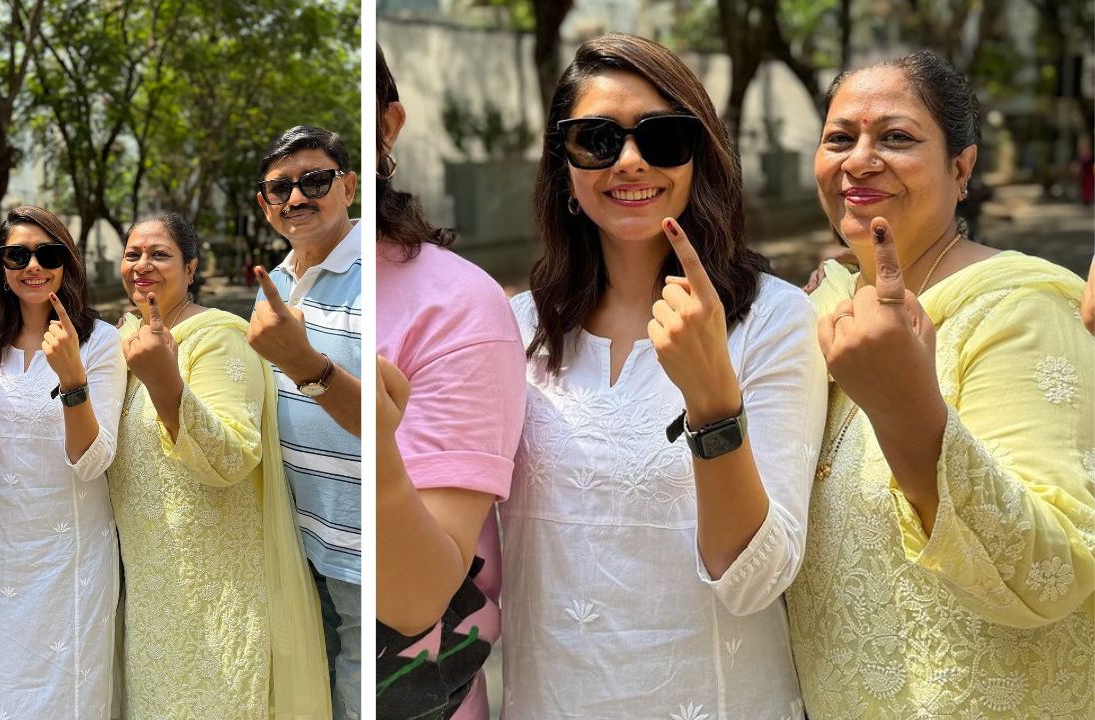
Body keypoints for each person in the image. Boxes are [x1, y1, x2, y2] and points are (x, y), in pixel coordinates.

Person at [499, 34, 827, 719]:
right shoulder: (509, 329)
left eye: (663, 137)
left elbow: (756, 581)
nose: (629, 161)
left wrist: (712, 404)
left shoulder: (773, 320)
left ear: (699, 158)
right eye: (596, 139)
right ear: (563, 167)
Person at [784, 51, 1095, 718]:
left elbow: (1055, 570)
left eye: (895, 137)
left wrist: (911, 413)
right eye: (841, 138)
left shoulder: (1019, 310)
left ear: (962, 168)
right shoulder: (818, 312)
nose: (859, 160)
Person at [105, 213, 328, 719]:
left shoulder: (216, 338)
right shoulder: (122, 338)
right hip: (151, 590)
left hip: (218, 590)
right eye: (133, 253)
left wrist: (167, 385)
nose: (142, 265)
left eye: (159, 254)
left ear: (191, 269)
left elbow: (231, 459)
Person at [375, 45, 527, 719]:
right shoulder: (283, 305)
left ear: (388, 126)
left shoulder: (456, 305)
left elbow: (418, 599)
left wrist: (370, 441)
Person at [0, 206, 123, 719]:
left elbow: (94, 461)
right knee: (4, 691)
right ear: (1, 267)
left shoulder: (100, 342)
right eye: (17, 254)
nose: (32, 266)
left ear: (68, 263)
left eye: (47, 253)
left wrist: (73, 379)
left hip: (71, 557)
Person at [250, 125, 362, 720]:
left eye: (314, 180)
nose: (297, 198)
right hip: (297, 547)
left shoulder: (382, 275)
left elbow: (398, 424)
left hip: (366, 552)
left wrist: (308, 367)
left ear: (349, 185)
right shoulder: (274, 286)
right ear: (265, 206)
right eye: (280, 188)